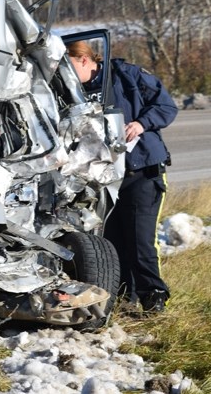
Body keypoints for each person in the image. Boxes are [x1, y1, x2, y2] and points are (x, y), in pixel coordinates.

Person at [66, 41, 178, 313]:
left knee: (140, 240)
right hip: (104, 180)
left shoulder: (127, 75)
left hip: (142, 171)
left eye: (67, 65)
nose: (63, 73)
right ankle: (124, 298)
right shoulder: (70, 90)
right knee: (113, 242)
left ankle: (154, 298)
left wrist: (141, 124)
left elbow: (166, 106)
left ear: (83, 60)